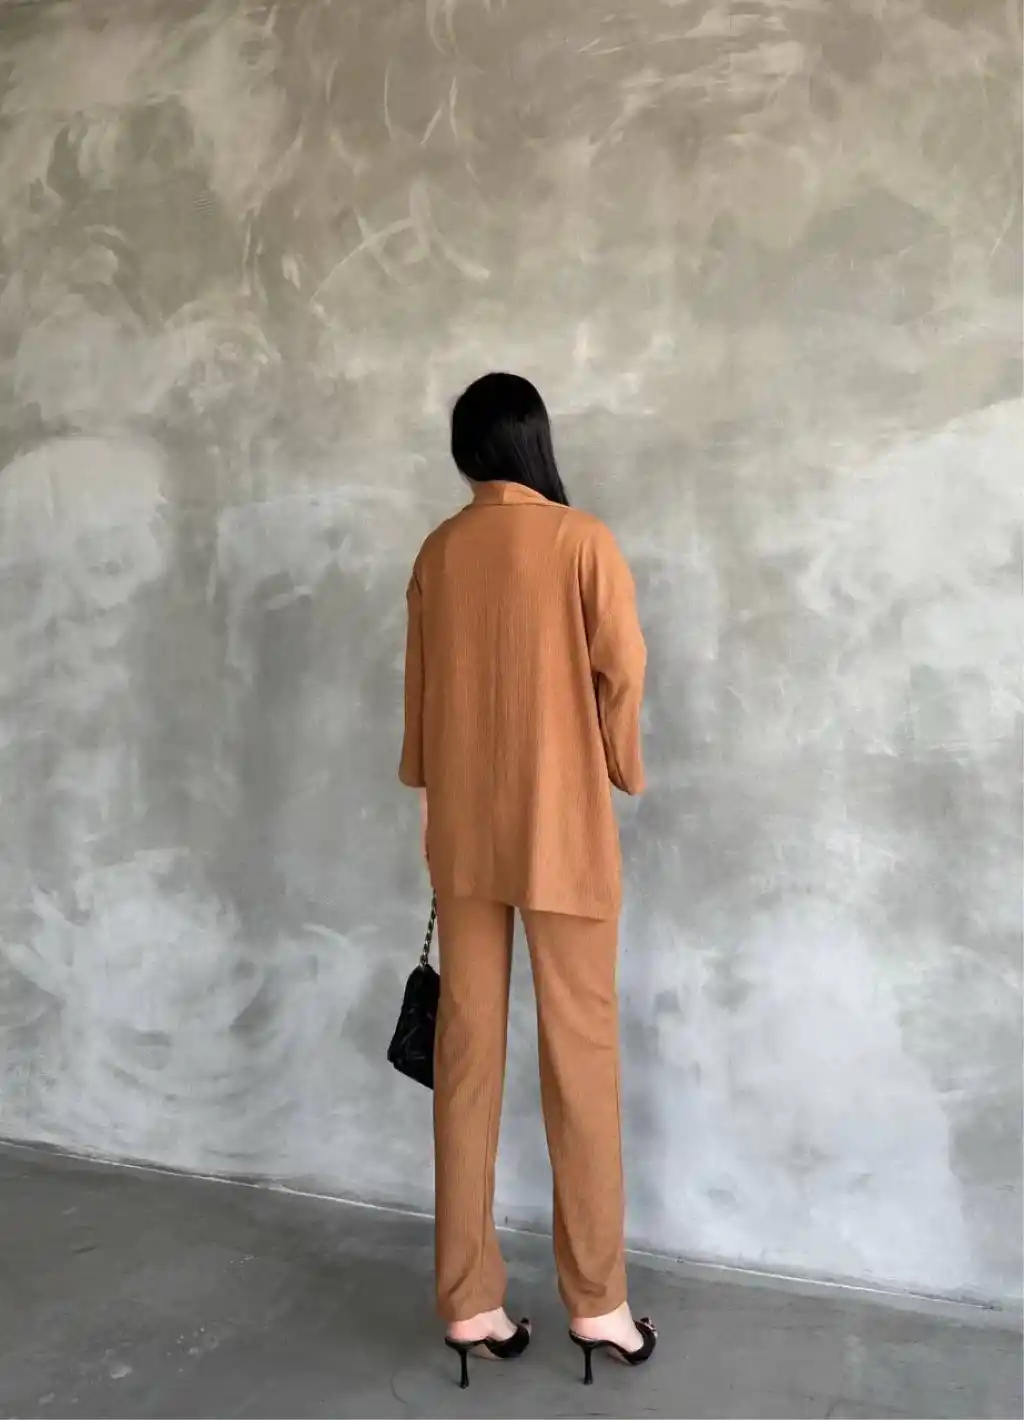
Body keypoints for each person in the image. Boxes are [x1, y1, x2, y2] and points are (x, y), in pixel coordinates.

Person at [399, 372, 656, 1388]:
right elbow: (622, 670)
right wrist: (617, 764)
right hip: (562, 829)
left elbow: (421, 698)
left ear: (468, 451)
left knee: (466, 1058)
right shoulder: (580, 540)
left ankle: (468, 1299)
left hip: (465, 833)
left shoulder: (439, 551)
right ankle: (598, 1302)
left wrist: (433, 787)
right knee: (579, 1057)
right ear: (534, 443)